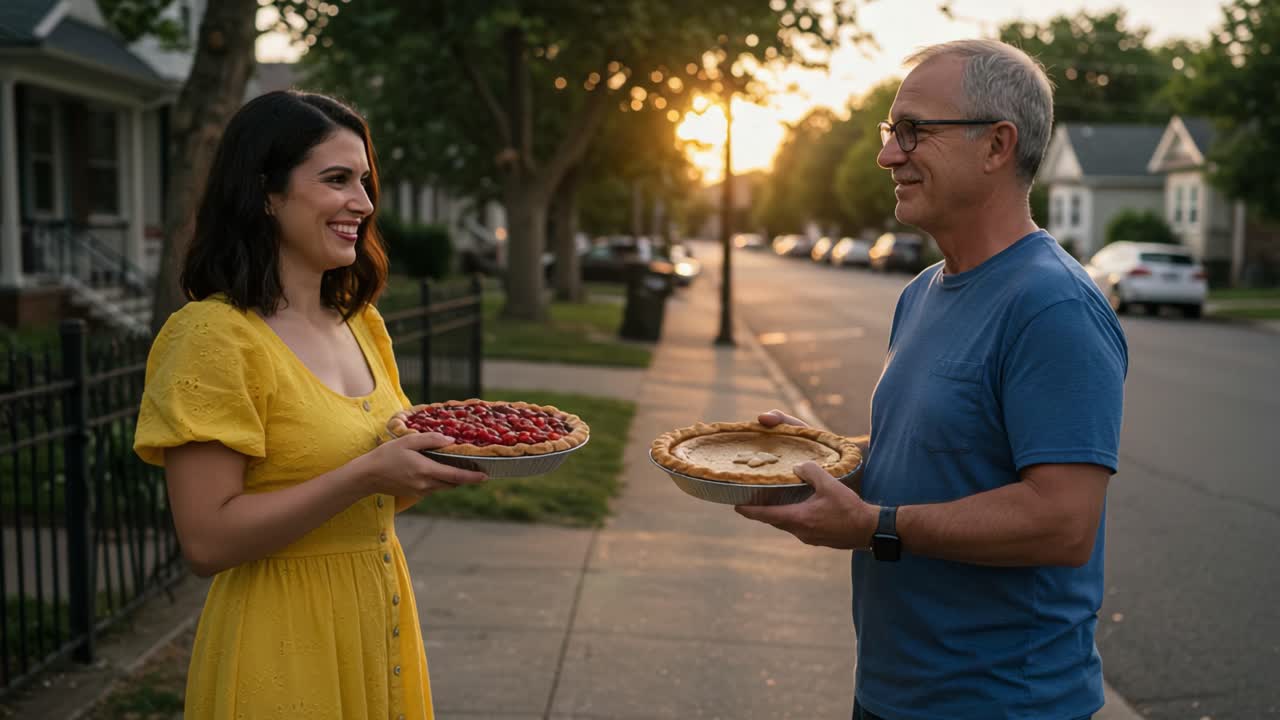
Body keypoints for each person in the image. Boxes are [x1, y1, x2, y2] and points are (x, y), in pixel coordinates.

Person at [735, 40, 1128, 720]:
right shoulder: (921, 292)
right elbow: (936, 452)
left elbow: (1064, 522)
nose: (889, 155)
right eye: (892, 133)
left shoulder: (1053, 305)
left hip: (1004, 704)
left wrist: (875, 526)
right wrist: (827, 459)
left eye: (914, 131)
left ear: (997, 145)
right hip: (894, 693)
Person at [133, 90, 487, 720]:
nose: (364, 202)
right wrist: (369, 472)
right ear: (266, 193)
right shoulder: (213, 337)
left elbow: (380, 501)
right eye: (337, 180)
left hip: (378, 624)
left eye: (365, 181)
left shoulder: (361, 323)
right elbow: (206, 540)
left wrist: (421, 468)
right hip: (282, 645)